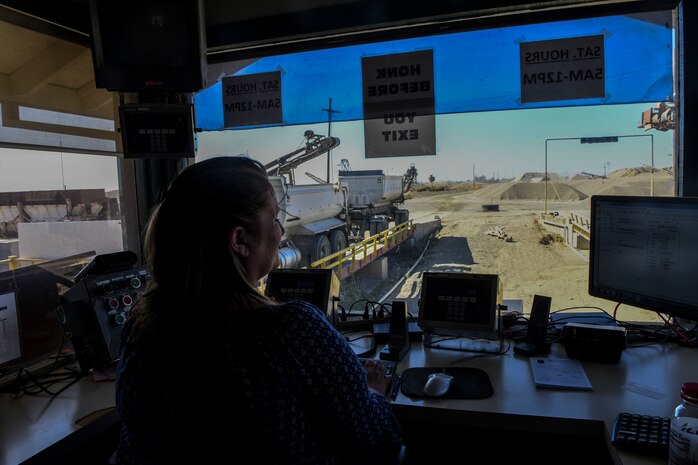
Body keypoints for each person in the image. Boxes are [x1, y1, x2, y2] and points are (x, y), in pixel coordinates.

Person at [115, 156, 403, 465]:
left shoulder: (141, 329)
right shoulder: (292, 331)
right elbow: (378, 438)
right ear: (239, 240)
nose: (281, 231)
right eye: (275, 219)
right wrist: (373, 390)